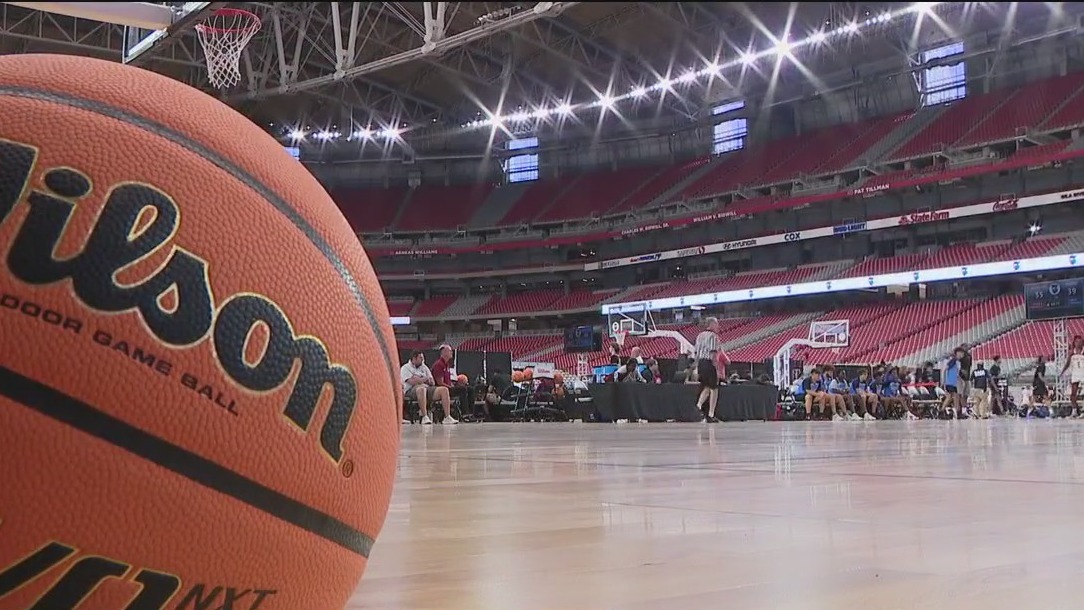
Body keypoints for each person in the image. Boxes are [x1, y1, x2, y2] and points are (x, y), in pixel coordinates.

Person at [400, 350, 452, 425]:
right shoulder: (405, 368)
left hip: (427, 388)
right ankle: (425, 416)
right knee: (421, 389)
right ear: (414, 359)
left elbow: (432, 381)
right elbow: (412, 382)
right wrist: (424, 379)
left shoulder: (424, 367)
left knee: (444, 390)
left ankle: (447, 417)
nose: (422, 360)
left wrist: (419, 379)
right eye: (420, 358)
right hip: (411, 390)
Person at [693, 317, 722, 422]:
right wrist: (717, 368)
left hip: (701, 363)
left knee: (707, 386)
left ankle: (699, 405)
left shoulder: (699, 336)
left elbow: (696, 353)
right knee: (714, 388)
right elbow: (713, 353)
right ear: (712, 324)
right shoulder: (713, 336)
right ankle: (711, 413)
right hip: (709, 363)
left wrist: (696, 367)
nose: (718, 326)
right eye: (717, 324)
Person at [428, 345, 460, 424]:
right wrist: (451, 387)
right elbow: (440, 383)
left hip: (448, 386)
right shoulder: (439, 365)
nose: (451, 352)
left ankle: (469, 413)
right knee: (462, 390)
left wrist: (452, 385)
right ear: (444, 352)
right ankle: (465, 414)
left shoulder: (447, 365)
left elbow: (448, 380)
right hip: (441, 389)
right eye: (450, 351)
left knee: (468, 388)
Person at [1061, 335, 1084, 416]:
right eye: (1077, 341)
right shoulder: (1071, 352)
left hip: (1083, 374)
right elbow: (1067, 363)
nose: (1079, 343)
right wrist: (1062, 372)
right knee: (1073, 394)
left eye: (1080, 342)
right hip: (1075, 374)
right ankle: (1074, 411)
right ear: (1074, 342)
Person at [941, 349, 962, 418]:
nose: (961, 355)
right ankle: (941, 410)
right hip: (950, 382)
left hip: (954, 383)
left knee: (956, 397)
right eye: (960, 353)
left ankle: (957, 411)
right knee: (950, 397)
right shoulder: (953, 361)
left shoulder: (956, 362)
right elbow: (945, 369)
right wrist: (943, 381)